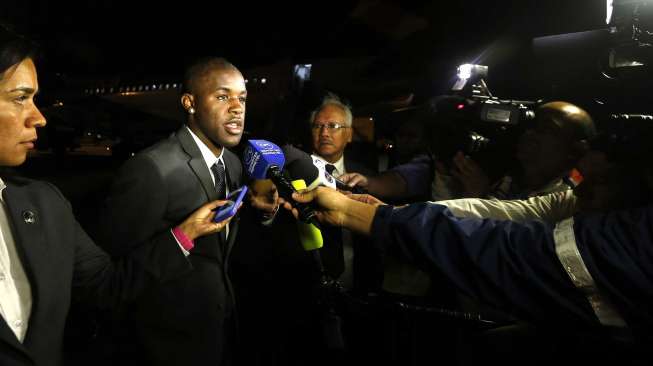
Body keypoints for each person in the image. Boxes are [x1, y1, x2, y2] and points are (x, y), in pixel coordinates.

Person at [282, 142, 653, 362]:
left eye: (602, 182)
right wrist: (386, 213)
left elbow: (513, 251)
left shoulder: (631, 238)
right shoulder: (570, 200)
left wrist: (357, 214)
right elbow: (496, 216)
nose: (584, 191)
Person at [0, 25, 233, 366]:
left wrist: (186, 234)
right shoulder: (152, 169)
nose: (40, 117)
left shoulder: (46, 204)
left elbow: (107, 286)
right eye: (21, 97)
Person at [96, 57, 266, 366]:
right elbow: (112, 276)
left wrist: (261, 210)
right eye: (222, 96)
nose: (237, 107)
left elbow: (221, 247)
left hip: (220, 326)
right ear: (190, 102)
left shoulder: (234, 164)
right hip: (163, 343)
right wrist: (182, 236)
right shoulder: (151, 169)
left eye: (242, 98)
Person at [340, 101, 596, 202]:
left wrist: (479, 196)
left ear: (575, 150)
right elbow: (447, 213)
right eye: (530, 127)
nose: (530, 136)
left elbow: (511, 245)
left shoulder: (571, 201)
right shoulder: (505, 177)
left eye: (545, 131)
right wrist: (443, 172)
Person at [308, 92, 379, 290]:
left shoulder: (367, 177)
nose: (324, 133)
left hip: (359, 284)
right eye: (318, 126)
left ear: (349, 134)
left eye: (333, 126)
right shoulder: (293, 171)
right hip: (308, 285)